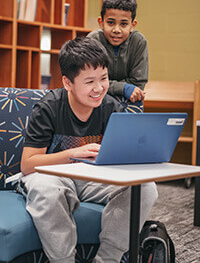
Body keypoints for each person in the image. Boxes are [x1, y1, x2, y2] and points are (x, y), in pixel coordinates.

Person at [17, 37, 158, 263]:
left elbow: (122, 158)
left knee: (146, 188)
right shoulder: (49, 107)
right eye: (89, 81)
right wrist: (73, 153)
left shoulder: (111, 106)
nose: (99, 88)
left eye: (103, 78)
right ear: (67, 83)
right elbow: (28, 164)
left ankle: (106, 259)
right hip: (52, 175)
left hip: (94, 178)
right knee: (47, 190)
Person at [87, 0, 148, 113]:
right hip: (95, 101)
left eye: (124, 24)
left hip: (127, 102)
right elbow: (89, 80)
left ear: (132, 25)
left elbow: (138, 83)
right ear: (101, 23)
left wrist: (107, 85)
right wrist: (123, 87)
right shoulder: (92, 40)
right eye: (110, 22)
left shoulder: (139, 42)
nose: (116, 30)